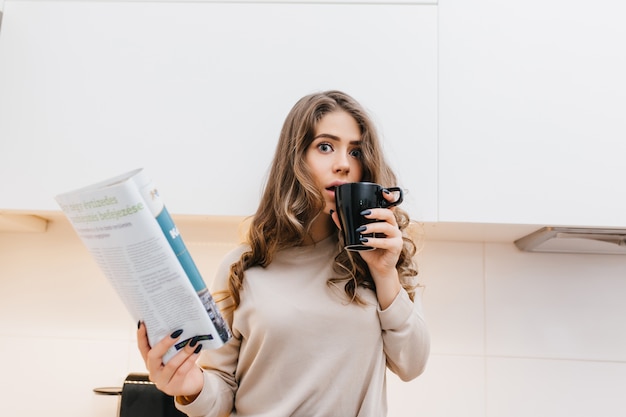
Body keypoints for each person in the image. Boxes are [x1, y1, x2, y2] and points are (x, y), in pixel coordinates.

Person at [137, 90, 430, 417]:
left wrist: (385, 273)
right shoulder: (242, 266)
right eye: (325, 146)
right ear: (296, 159)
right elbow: (220, 387)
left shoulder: (379, 259)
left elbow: (412, 364)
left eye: (356, 151)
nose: (344, 163)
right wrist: (193, 387)